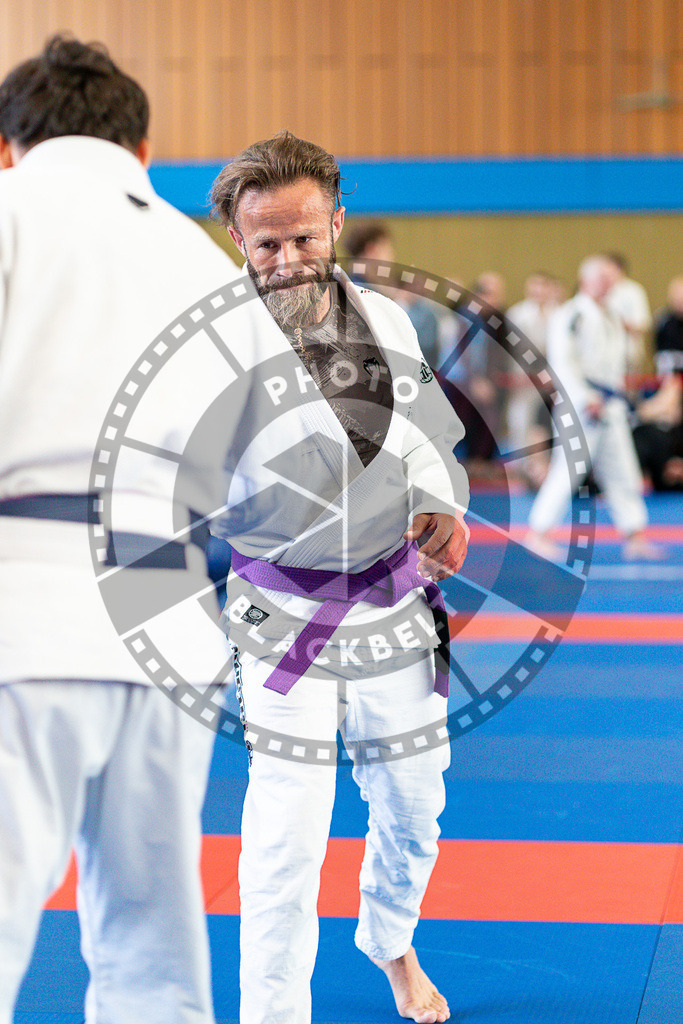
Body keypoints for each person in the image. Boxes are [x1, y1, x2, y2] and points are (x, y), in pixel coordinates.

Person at [0, 36, 252, 1024]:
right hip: (172, 601)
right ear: (143, 149)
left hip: (25, 594)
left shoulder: (9, 213)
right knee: (153, 930)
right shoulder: (204, 257)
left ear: (11, 144)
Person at [209, 130, 470, 1024]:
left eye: (304, 238)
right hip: (282, 608)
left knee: (414, 800)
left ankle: (389, 939)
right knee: (287, 823)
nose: (286, 259)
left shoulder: (390, 319)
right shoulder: (213, 344)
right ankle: (271, 1014)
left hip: (394, 599)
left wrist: (444, 506)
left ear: (337, 224)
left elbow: (431, 440)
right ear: (238, 241)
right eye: (266, 242)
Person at [525, 255, 659, 562]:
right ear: (587, 280)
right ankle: (538, 532)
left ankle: (634, 534)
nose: (609, 283)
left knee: (624, 469)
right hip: (582, 405)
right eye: (602, 277)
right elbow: (562, 362)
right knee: (569, 469)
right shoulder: (572, 314)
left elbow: (616, 360)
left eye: (611, 278)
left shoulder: (612, 313)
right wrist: (586, 398)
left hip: (611, 403)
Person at [506, 272, 558, 488]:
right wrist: (525, 376)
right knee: (521, 423)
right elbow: (512, 351)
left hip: (552, 382)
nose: (539, 292)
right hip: (523, 381)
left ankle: (547, 471)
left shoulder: (559, 313)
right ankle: (521, 473)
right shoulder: (517, 314)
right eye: (534, 287)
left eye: (543, 287)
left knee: (550, 426)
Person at [603, 252, 652, 375]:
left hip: (629, 355)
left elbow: (643, 324)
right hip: (605, 356)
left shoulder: (633, 291)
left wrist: (618, 323)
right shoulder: (601, 291)